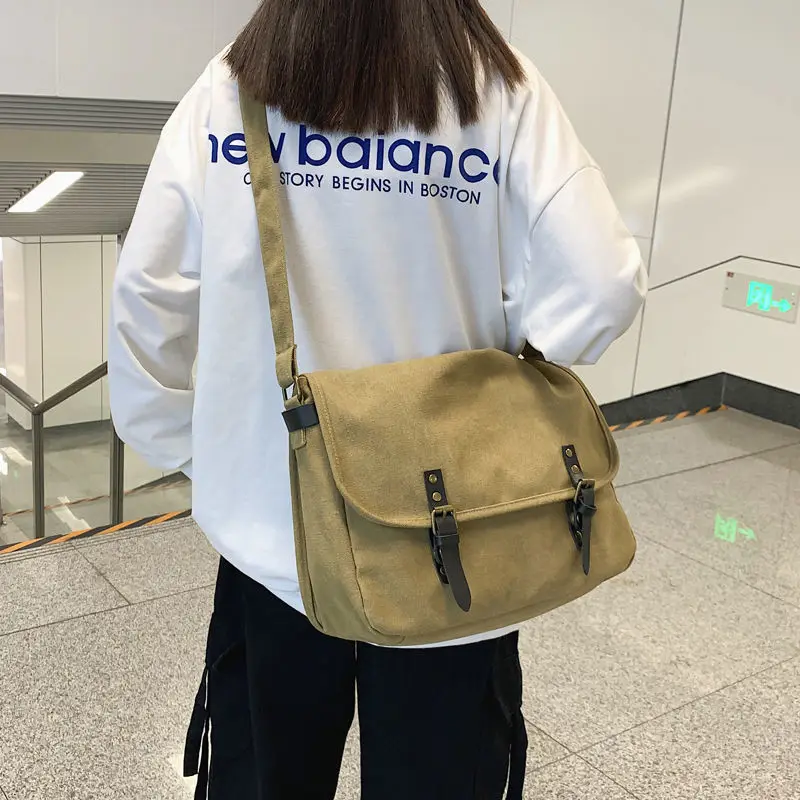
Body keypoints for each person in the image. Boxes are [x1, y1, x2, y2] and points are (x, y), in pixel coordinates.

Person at [108, 1, 647, 797]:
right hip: (456, 546)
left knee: (263, 776)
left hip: (275, 546)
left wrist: (209, 460)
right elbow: (602, 290)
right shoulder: (502, 90)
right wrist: (519, 338)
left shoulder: (229, 89)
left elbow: (147, 305)